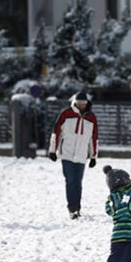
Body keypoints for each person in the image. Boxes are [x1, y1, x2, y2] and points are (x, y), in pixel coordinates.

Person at [48, 91, 99, 219]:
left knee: (78, 182)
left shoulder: (91, 118)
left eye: (84, 103)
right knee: (70, 181)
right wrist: (52, 150)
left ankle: (77, 207)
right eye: (79, 103)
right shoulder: (66, 114)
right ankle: (72, 209)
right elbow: (56, 133)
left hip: (82, 155)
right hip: (67, 154)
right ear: (75, 102)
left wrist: (93, 156)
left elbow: (94, 138)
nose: (81, 105)